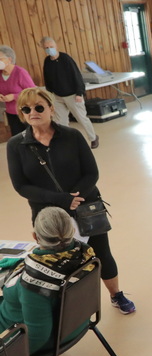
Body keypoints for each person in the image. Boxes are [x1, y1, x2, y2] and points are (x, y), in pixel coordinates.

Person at [6, 87, 135, 314]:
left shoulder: (72, 136)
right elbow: (21, 186)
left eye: (38, 107)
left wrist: (74, 198)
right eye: (26, 109)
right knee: (55, 261)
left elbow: (91, 173)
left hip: (86, 206)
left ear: (50, 108)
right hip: (48, 215)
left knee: (101, 253)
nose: (32, 112)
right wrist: (61, 200)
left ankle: (116, 295)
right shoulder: (16, 145)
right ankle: (63, 308)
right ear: (21, 113)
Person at [0, 207, 95, 354]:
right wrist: (24, 263)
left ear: (35, 237)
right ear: (72, 232)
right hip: (77, 322)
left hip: (42, 339)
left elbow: (38, 335)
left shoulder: (32, 284)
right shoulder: (84, 253)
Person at [39, 37, 100, 149]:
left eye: (51, 47)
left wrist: (79, 93)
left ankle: (93, 137)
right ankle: (65, 141)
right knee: (60, 121)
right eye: (46, 48)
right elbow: (47, 78)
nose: (49, 49)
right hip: (57, 96)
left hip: (72, 95)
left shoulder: (66, 59)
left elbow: (76, 76)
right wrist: (50, 94)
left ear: (56, 46)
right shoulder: (47, 61)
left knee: (81, 118)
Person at [0, 45, 36, 136]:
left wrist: (14, 96)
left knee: (32, 137)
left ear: (9, 59)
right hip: (11, 113)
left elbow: (32, 91)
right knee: (18, 139)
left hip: (26, 112)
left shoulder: (20, 72)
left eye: (0, 58)